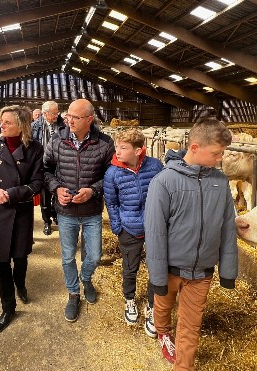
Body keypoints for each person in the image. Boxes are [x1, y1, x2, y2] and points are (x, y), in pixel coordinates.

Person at [145, 119, 238, 369]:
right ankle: (163, 332)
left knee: (190, 326)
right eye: (216, 153)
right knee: (162, 306)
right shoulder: (164, 182)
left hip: (202, 273)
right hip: (170, 269)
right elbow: (155, 233)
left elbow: (228, 227)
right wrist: (157, 277)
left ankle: (183, 366)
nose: (220, 159)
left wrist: (228, 272)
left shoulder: (220, 183)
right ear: (195, 147)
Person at [44, 98, 114, 322]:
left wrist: (93, 190)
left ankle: (86, 278)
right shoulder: (57, 140)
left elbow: (111, 176)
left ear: (89, 119)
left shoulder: (104, 143)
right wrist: (57, 188)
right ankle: (73, 293)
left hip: (92, 210)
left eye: (75, 116)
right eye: (68, 115)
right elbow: (45, 170)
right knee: (67, 257)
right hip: (66, 211)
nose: (68, 119)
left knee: (94, 255)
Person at [0, 105, 44, 333]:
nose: (1, 125)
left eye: (7, 122)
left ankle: (21, 285)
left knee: (20, 255)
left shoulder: (35, 149)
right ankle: (8, 306)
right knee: (1, 261)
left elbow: (37, 183)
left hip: (20, 210)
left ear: (21, 125)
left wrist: (13, 193)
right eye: (1, 121)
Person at [102, 128, 163, 336]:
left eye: (123, 147)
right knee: (130, 268)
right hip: (129, 228)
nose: (117, 151)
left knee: (157, 268)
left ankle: (153, 306)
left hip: (155, 228)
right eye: (116, 146)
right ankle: (130, 300)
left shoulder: (155, 166)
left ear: (138, 151)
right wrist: (117, 227)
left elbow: (164, 193)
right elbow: (111, 202)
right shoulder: (112, 172)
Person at [31, 100, 64, 236]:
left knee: (58, 194)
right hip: (43, 166)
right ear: (44, 113)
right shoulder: (34, 127)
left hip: (60, 166)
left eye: (57, 112)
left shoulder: (63, 125)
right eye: (54, 113)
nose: (57, 115)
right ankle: (46, 222)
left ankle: (55, 215)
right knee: (45, 197)